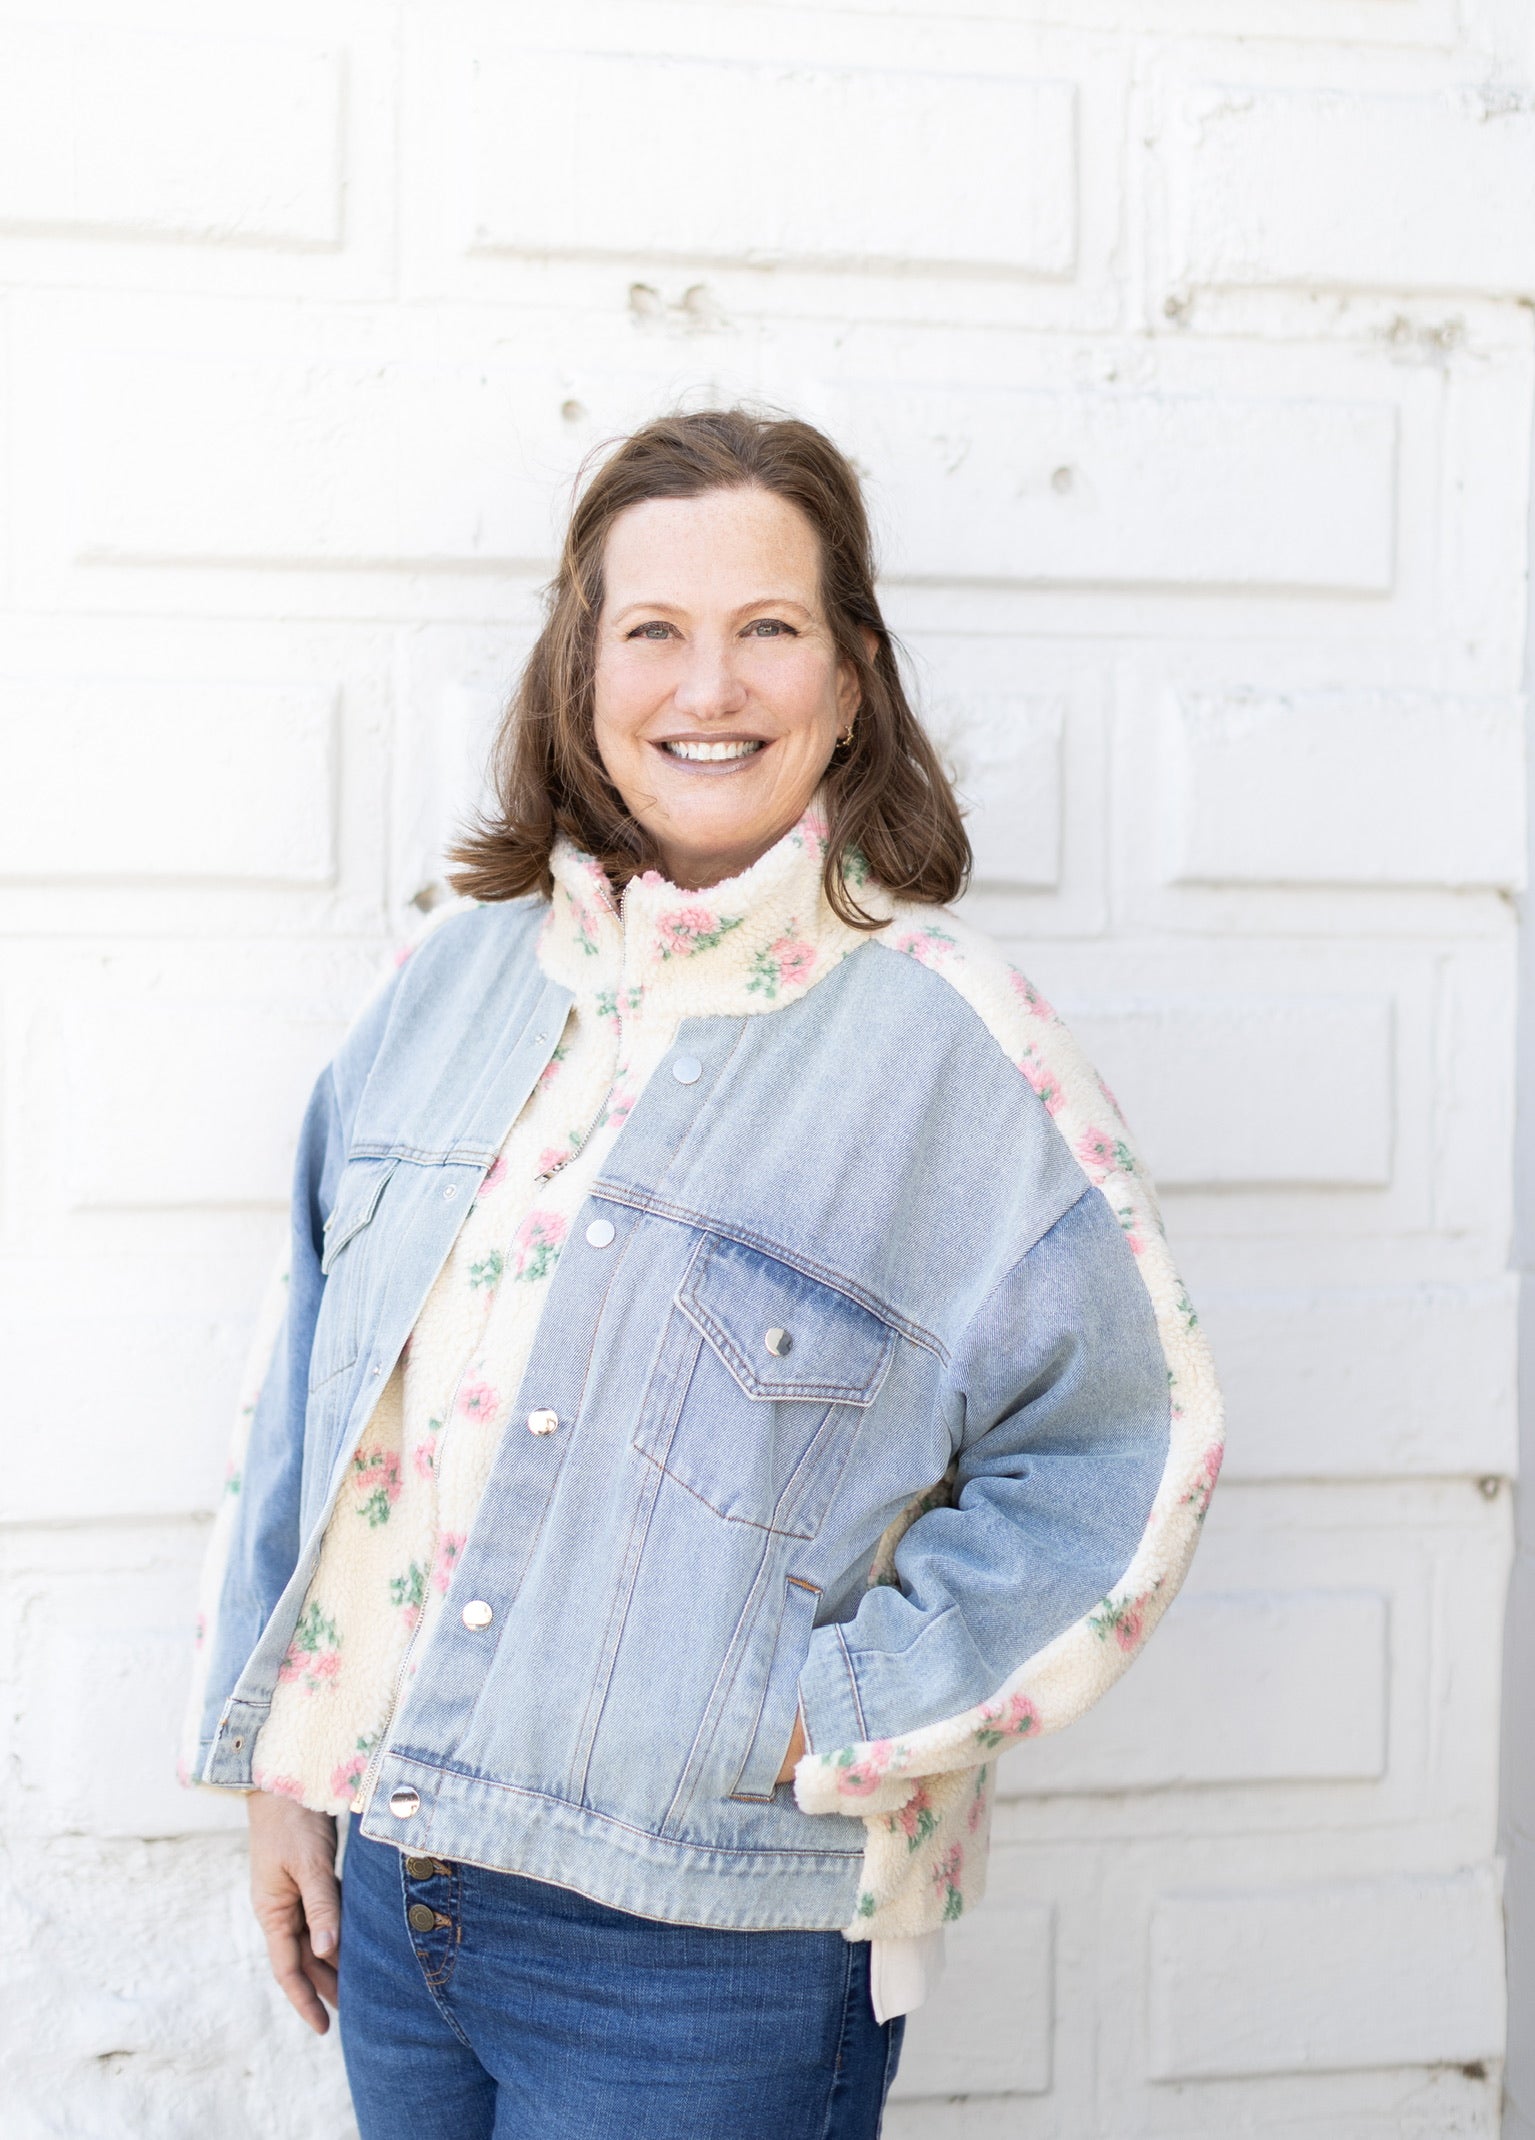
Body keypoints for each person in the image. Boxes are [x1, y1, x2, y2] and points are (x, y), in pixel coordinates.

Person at [183, 408, 1223, 2139]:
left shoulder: (962, 1053)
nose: (707, 686)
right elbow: (315, 1388)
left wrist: (833, 1721)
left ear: (855, 674)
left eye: (769, 629)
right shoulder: (447, 987)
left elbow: (1125, 1449)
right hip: (400, 1880)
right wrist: (287, 1768)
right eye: (651, 630)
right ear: (580, 670)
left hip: (708, 1947)